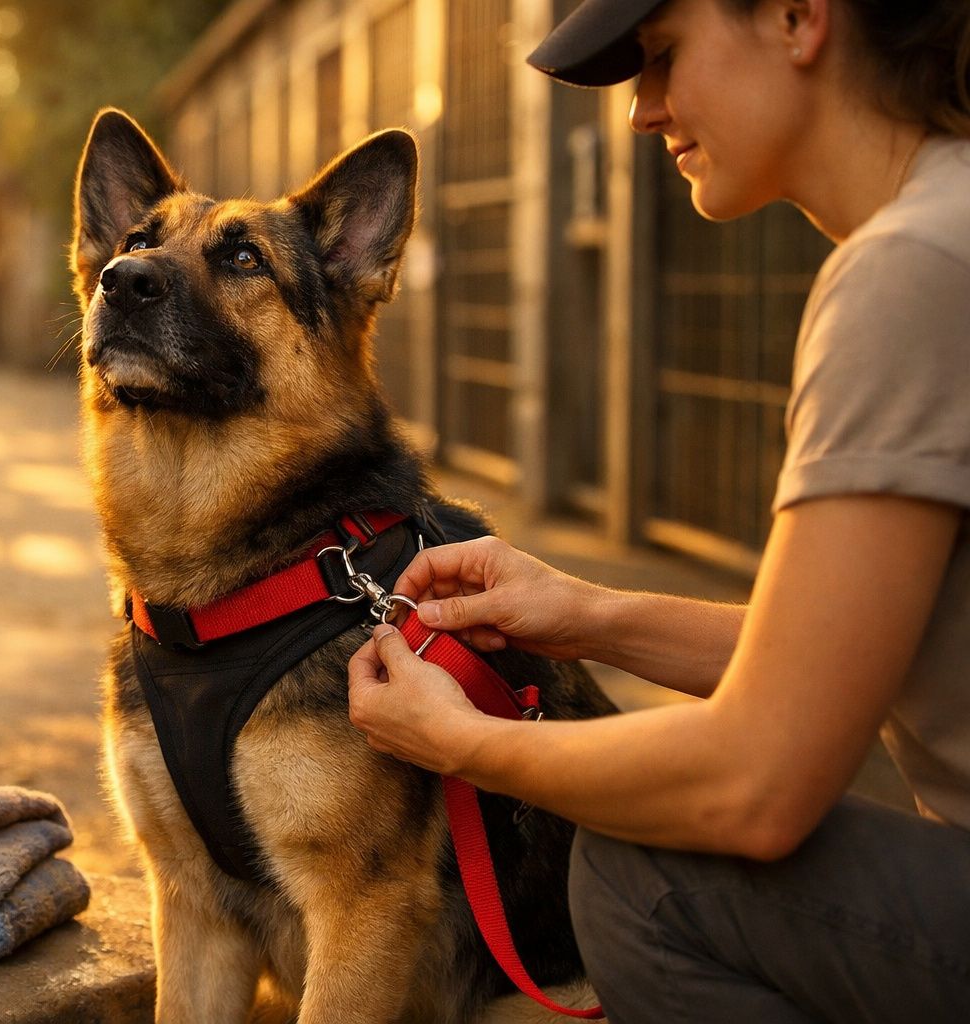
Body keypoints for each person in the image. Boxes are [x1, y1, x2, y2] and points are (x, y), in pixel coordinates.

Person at [346, 0, 970, 1020]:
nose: (644, 110)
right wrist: (586, 613)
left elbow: (756, 783)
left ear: (797, 16)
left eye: (664, 56)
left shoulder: (909, 270)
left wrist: (462, 743)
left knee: (648, 868)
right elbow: (850, 655)